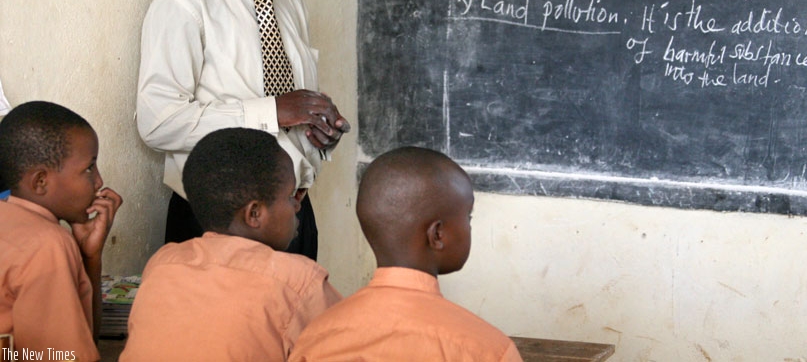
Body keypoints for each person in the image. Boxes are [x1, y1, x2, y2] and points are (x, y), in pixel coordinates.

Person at [136, 0, 349, 256]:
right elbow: (157, 122)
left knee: (298, 322)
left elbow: (290, 106)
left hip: (293, 216)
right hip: (220, 223)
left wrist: (316, 129)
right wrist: (272, 111)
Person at [120, 127, 342, 361]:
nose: (297, 206)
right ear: (254, 214)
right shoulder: (299, 282)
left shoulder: (162, 264)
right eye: (290, 196)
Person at [289, 146, 523, 362]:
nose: (470, 226)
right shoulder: (487, 350)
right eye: (468, 217)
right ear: (438, 234)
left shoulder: (315, 338)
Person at [0, 101, 122, 360]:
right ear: (40, 182)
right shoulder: (47, 244)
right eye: (89, 168)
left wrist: (90, 258)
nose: (99, 181)